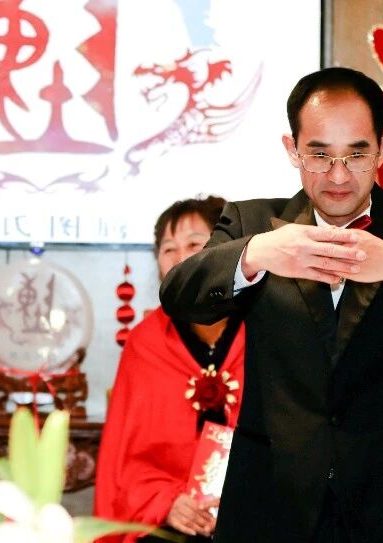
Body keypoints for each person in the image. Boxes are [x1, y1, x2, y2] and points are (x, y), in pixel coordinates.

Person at [159, 66, 383, 542]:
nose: (339, 175)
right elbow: (179, 296)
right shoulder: (252, 222)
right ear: (292, 150)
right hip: (270, 504)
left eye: (357, 154)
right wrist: (258, 253)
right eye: (320, 155)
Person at [95, 196, 244, 542]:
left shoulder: (265, 329)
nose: (181, 258)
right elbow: (124, 462)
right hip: (166, 522)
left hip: (252, 515)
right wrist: (168, 502)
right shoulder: (145, 344)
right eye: (168, 249)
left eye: (194, 244)